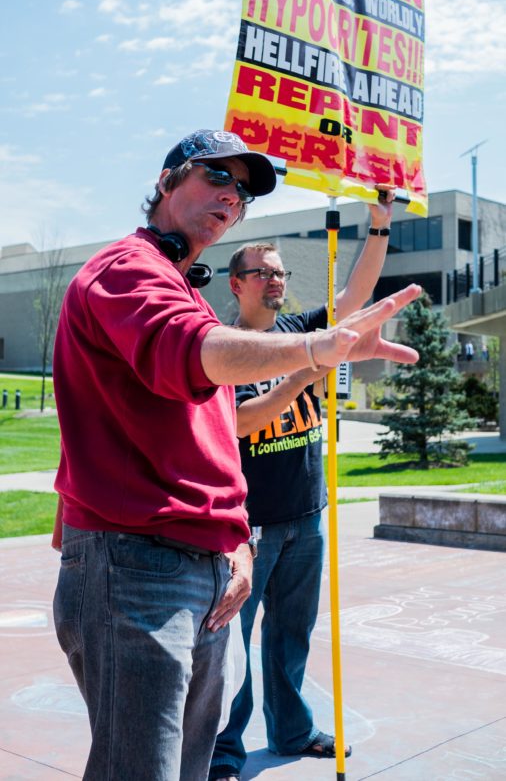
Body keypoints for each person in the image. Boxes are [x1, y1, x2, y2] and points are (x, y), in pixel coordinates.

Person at [52, 128, 420, 781]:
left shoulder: (184, 290)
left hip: (208, 559)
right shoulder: (129, 271)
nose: (232, 195)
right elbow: (197, 356)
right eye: (216, 177)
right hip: (139, 567)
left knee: (186, 767)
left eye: (243, 192)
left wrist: (234, 537)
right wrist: (314, 356)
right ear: (167, 182)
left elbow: (210, 437)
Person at [209, 195, 394, 781]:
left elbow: (354, 299)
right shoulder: (224, 346)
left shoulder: (300, 330)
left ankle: (291, 729)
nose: (276, 281)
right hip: (251, 527)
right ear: (237, 284)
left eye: (281, 272)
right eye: (263, 272)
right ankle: (224, 751)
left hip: (306, 515)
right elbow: (242, 421)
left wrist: (381, 224)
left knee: (291, 634)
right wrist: (303, 373)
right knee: (232, 646)